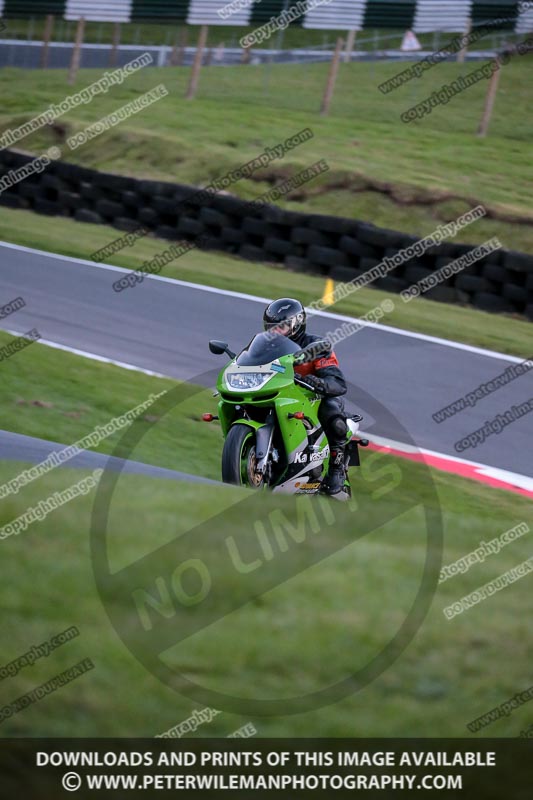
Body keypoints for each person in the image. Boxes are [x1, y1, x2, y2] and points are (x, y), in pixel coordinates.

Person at [263, 297, 348, 496]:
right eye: (271, 327)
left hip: (314, 397)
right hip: (280, 395)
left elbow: (338, 383)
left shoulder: (317, 346)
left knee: (332, 412)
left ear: (297, 323)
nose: (275, 332)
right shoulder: (266, 346)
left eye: (281, 327)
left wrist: (318, 383)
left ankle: (336, 469)